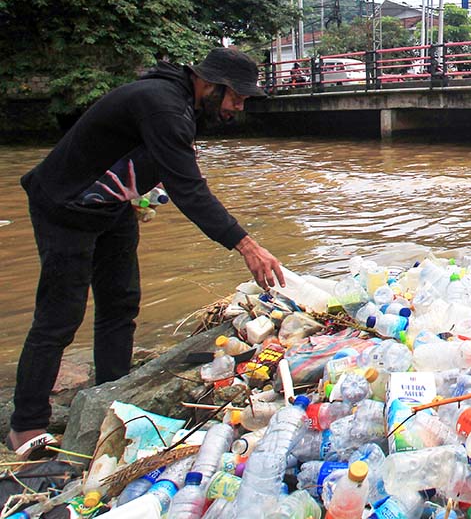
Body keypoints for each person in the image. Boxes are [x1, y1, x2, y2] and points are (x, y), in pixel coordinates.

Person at [8, 48, 285, 459]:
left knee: (121, 301)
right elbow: (189, 189)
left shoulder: (185, 108)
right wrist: (248, 245)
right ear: (210, 85)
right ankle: (26, 425)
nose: (238, 107)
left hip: (109, 204)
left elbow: (145, 157)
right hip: (64, 206)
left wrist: (141, 194)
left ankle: (113, 392)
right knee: (59, 317)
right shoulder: (163, 104)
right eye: (236, 97)